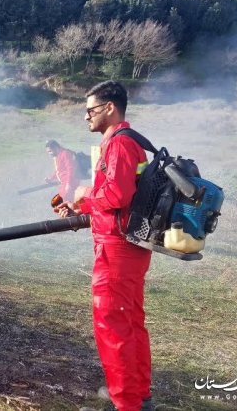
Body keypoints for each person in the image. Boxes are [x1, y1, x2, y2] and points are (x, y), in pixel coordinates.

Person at [55, 81, 153, 411]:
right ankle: (138, 395)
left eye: (90, 110)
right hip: (127, 245)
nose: (86, 118)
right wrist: (80, 207)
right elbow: (114, 197)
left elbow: (116, 196)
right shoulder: (125, 142)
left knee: (112, 326)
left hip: (116, 250)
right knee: (130, 321)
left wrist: (83, 195)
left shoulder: (120, 145)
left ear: (109, 108)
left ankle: (125, 403)